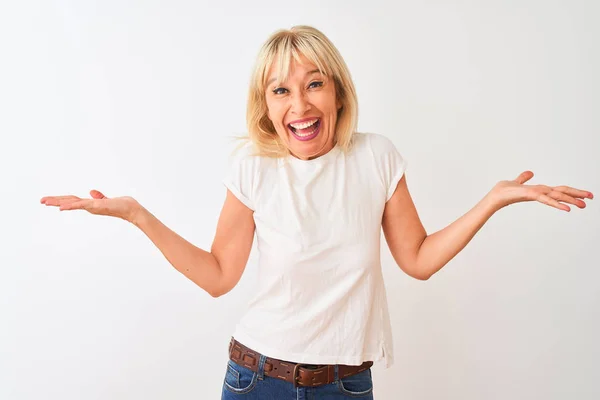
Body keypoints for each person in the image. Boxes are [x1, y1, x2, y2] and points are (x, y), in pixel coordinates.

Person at [40, 25, 593, 399]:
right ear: (267, 105)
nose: (299, 105)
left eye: (314, 85)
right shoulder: (254, 169)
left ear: (338, 95)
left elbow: (419, 260)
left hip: (346, 386)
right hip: (257, 380)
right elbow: (218, 276)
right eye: (281, 91)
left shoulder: (376, 156)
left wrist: (493, 200)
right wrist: (138, 215)